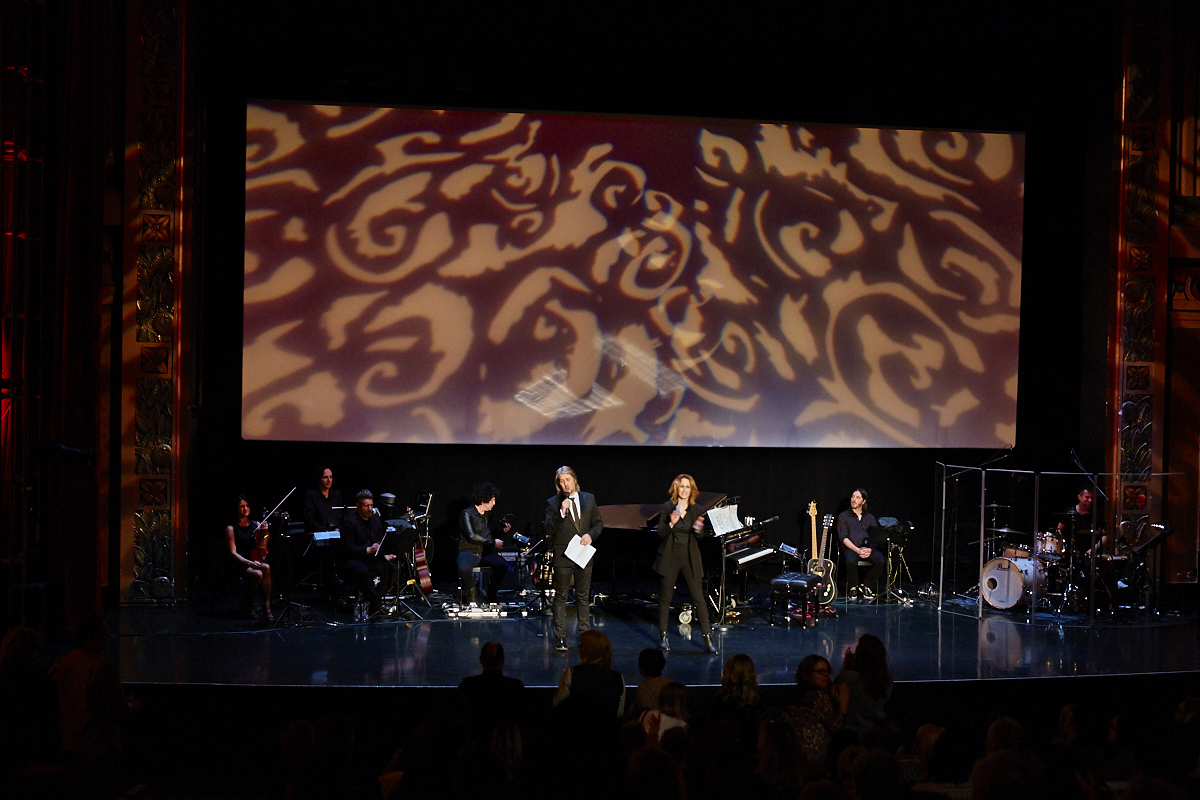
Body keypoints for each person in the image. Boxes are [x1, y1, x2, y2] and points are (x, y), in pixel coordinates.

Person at [50, 615, 140, 765]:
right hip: (98, 745)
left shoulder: (64, 663)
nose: (107, 637)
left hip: (70, 742)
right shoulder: (104, 667)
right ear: (91, 637)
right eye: (103, 633)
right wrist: (132, 705)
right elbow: (115, 708)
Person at [543, 465, 603, 651]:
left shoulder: (589, 498)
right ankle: (560, 638)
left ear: (574, 480)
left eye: (567, 480)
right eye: (561, 482)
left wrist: (591, 535)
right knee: (560, 596)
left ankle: (585, 636)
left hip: (583, 554)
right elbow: (548, 528)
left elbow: (598, 523)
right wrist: (562, 512)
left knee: (583, 597)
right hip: (563, 555)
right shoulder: (553, 503)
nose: (564, 484)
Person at [654, 473, 715, 653]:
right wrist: (671, 523)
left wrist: (698, 529)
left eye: (687, 487)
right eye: (681, 486)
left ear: (692, 490)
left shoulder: (696, 509)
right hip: (670, 557)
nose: (684, 490)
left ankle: (707, 639)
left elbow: (700, 536)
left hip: (689, 558)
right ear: (676, 489)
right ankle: (663, 636)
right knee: (665, 599)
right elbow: (660, 533)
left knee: (698, 598)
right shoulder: (667, 507)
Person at [337, 489, 398, 618]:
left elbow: (380, 541)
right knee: (363, 572)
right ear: (358, 506)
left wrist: (384, 554)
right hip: (352, 559)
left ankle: (375, 602)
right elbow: (347, 549)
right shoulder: (350, 523)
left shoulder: (375, 520)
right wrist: (367, 550)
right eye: (366, 506)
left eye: (371, 505)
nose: (370, 509)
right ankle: (376, 605)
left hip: (371, 558)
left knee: (392, 568)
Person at [458, 642, 526, 744]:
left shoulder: (468, 686)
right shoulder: (515, 687)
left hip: (475, 744)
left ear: (481, 659)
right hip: (506, 744)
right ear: (503, 660)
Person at [787, 654, 849, 764]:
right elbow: (837, 727)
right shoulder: (818, 697)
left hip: (797, 754)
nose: (826, 675)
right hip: (817, 756)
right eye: (820, 672)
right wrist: (843, 704)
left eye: (827, 671)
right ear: (808, 674)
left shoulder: (798, 693)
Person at [457, 482, 512, 605]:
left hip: (485, 552)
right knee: (463, 568)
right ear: (483, 500)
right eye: (492, 500)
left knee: (502, 565)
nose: (494, 503)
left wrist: (502, 532)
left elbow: (490, 534)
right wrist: (493, 542)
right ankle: (471, 590)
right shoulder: (466, 514)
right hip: (469, 551)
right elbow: (471, 536)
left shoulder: (488, 515)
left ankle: (491, 592)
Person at [552, 630, 625, 717]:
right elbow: (619, 713)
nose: (578, 647)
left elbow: (557, 706)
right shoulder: (618, 678)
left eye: (581, 645)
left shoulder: (572, 674)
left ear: (587, 649)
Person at [226, 494, 273, 621]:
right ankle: (249, 602)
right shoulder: (231, 528)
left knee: (266, 567)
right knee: (257, 574)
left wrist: (264, 533)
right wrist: (249, 563)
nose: (245, 508)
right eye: (241, 506)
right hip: (239, 563)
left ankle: (266, 606)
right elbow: (233, 553)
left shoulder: (256, 524)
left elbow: (261, 548)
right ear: (236, 509)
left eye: (246, 506)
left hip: (252, 560)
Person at [835, 633, 892, 734]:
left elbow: (836, 688)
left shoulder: (850, 678)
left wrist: (846, 664)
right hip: (876, 731)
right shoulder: (886, 680)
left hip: (852, 732)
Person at [837, 488, 884, 601]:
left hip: (867, 548)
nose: (854, 500)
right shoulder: (843, 516)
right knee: (850, 560)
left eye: (857, 498)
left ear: (863, 501)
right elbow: (843, 538)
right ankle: (853, 587)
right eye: (853, 497)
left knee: (881, 561)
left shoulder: (870, 518)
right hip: (851, 547)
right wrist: (857, 550)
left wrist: (870, 549)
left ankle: (866, 585)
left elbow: (875, 537)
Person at [302, 466, 344, 533]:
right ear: (319, 479)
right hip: (317, 532)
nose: (329, 480)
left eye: (331, 477)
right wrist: (324, 530)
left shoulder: (336, 494)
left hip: (334, 531)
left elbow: (341, 515)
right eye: (325, 477)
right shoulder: (310, 495)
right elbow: (309, 519)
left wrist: (337, 528)